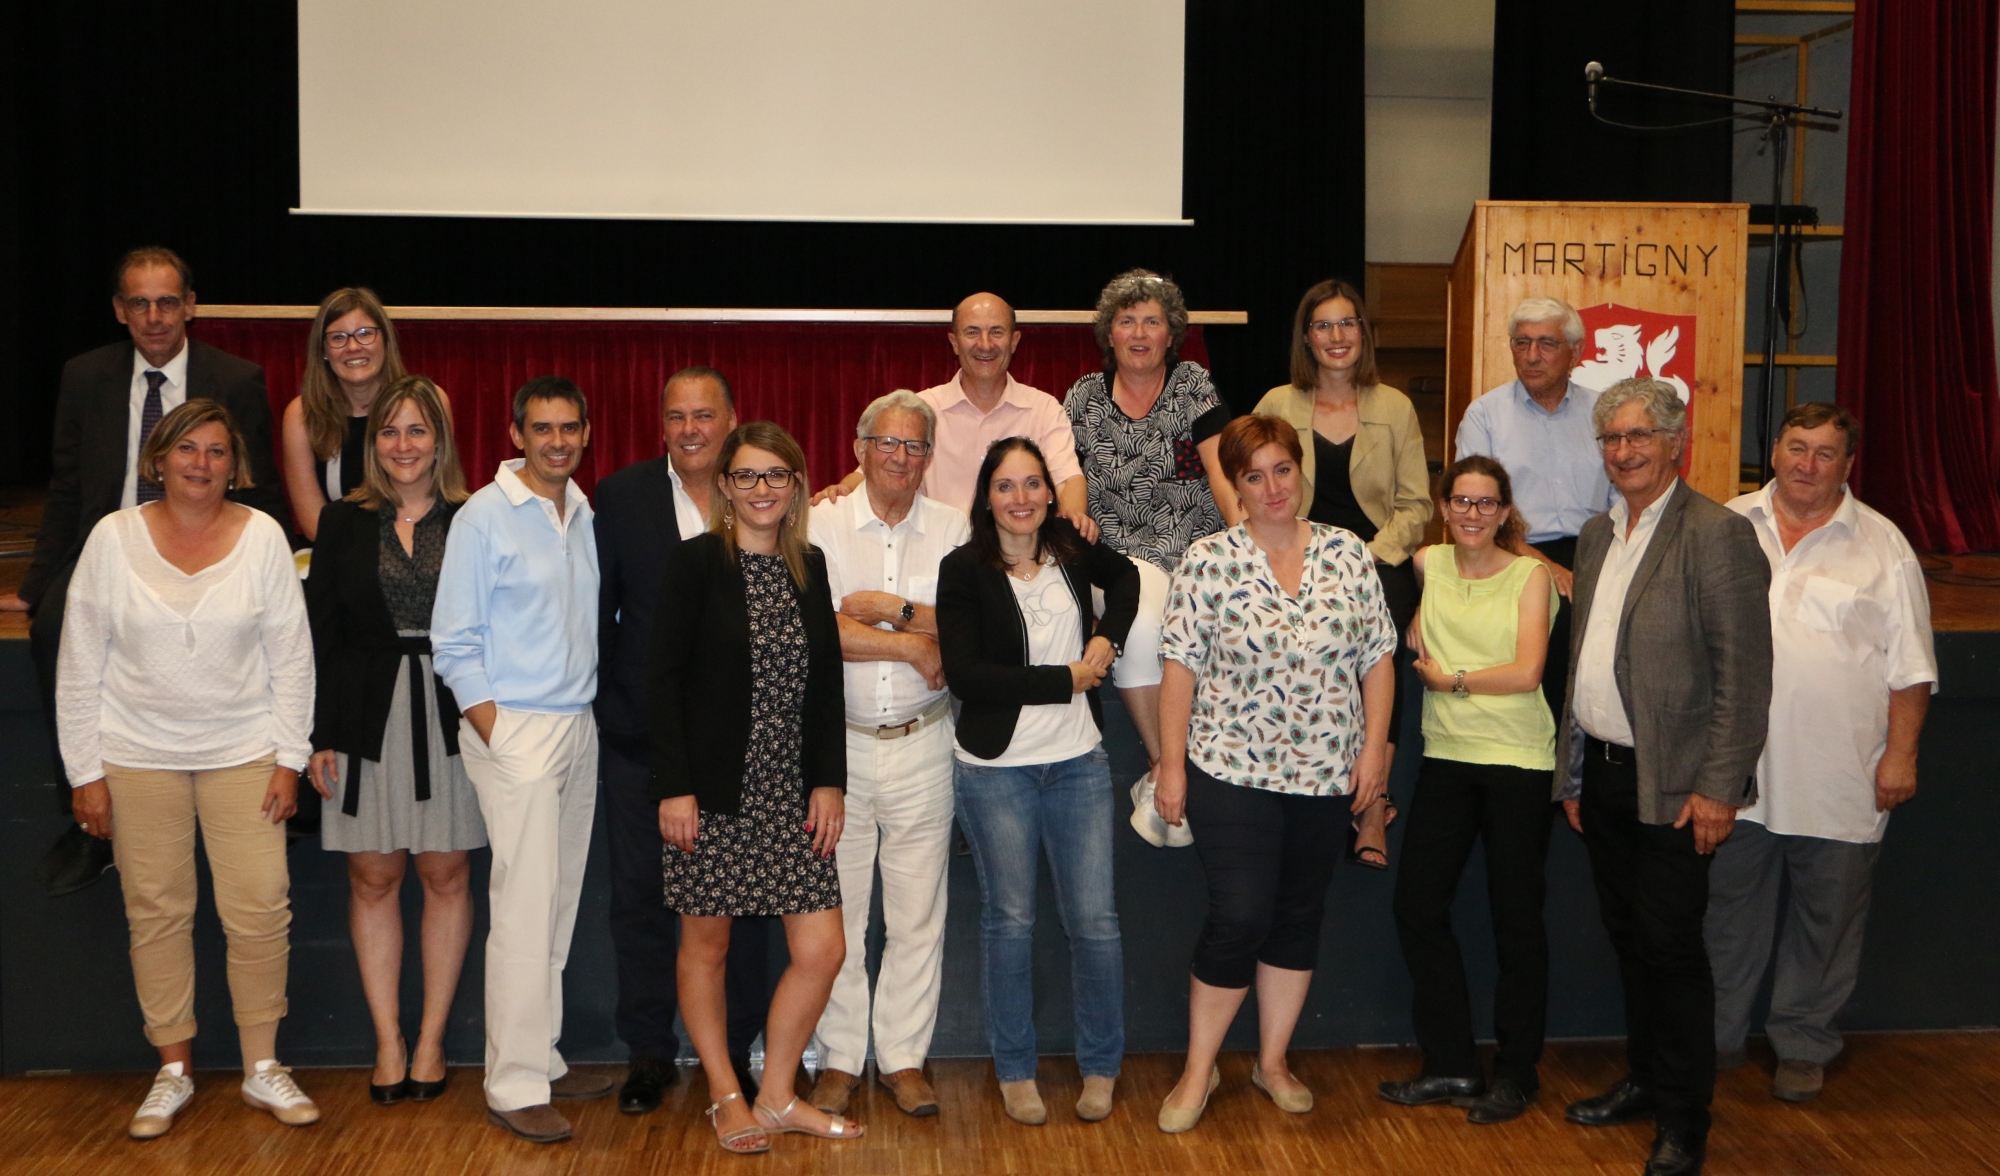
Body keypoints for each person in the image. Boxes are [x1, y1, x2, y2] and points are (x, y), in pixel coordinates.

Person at [56, 400, 318, 1139]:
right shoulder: (111, 540)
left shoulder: (264, 537)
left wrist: (289, 758)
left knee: (261, 908)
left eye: (216, 452)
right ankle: (173, 1070)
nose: (201, 464)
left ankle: (263, 1068)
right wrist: (86, 773)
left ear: (234, 465)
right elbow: (78, 666)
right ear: (158, 459)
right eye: (186, 450)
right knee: (157, 911)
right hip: (135, 757)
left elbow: (292, 659)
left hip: (245, 754)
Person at [8, 246, 285, 898]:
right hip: (109, 549)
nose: (155, 316)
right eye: (140, 302)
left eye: (167, 301)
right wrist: (38, 582)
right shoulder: (86, 376)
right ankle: (88, 813)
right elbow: (69, 487)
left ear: (190, 306)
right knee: (52, 627)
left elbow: (259, 487)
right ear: (119, 310)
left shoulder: (235, 377)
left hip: (211, 546)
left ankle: (261, 780)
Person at [1152, 414, 1395, 1133]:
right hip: (1231, 770)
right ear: (1236, 485)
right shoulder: (1208, 560)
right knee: (1240, 916)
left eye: (1281, 469)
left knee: (1296, 919)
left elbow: (1378, 659)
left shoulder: (1349, 554)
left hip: (1327, 775)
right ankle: (1198, 1072)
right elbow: (1178, 671)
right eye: (1252, 475)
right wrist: (1171, 767)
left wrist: (1375, 751)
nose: (1271, 487)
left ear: (1301, 470)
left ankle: (1273, 1061)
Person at [1556, 378, 1772, 1176]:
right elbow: (1584, 661)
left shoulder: (1715, 534)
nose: (1624, 451)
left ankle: (1687, 1122)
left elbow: (1745, 677)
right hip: (1606, 781)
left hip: (1681, 787)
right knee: (1632, 941)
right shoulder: (1595, 534)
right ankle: (1647, 1080)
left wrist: (1720, 788)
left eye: (1639, 436)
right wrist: (1573, 775)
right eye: (1611, 439)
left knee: (1673, 951)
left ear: (1675, 442)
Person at [1707, 402, 1935, 1103]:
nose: (1808, 464)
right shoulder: (1725, 525)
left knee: (1826, 925)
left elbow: (1912, 667)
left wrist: (1901, 754)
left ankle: (1803, 1045)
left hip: (1841, 774)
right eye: (1796, 447)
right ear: (1773, 450)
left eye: (1825, 453)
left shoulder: (1883, 545)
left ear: (1847, 464)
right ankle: (1712, 1040)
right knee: (1724, 920)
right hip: (1736, 775)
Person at [650, 421, 860, 1155]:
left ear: (797, 486)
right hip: (711, 791)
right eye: (747, 476)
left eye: (776, 475)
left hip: (792, 791)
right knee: (705, 945)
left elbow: (826, 686)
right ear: (726, 489)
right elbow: (663, 682)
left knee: (823, 948)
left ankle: (776, 1096)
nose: (762, 489)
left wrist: (829, 782)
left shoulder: (811, 565)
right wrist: (674, 788)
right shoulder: (695, 564)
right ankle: (724, 1091)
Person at [936, 437, 1138, 1126]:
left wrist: (1108, 639)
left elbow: (1132, 581)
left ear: (1050, 493)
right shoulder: (962, 570)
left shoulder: (1073, 548)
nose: (1020, 498)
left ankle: (1101, 1067)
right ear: (985, 496)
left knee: (1096, 925)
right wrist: (1067, 680)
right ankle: (1016, 1071)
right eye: (1005, 486)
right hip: (997, 775)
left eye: (1032, 484)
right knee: (1010, 923)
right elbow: (967, 676)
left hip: (1079, 764)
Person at [431, 376, 612, 1143]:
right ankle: (511, 1085)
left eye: (570, 427)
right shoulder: (483, 516)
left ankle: (541, 1055)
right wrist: (501, 736)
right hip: (519, 734)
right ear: (515, 435)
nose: (558, 441)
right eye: (543, 428)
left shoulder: (582, 511)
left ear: (587, 432)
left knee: (558, 905)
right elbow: (453, 642)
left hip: (578, 726)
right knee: (523, 909)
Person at [593, 366, 774, 1114]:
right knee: (640, 901)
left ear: (732, 418)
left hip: (743, 750)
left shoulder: (762, 494)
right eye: (677, 417)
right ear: (660, 425)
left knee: (741, 907)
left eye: (705, 415)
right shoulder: (621, 498)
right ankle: (647, 1053)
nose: (692, 430)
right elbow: (601, 616)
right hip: (641, 741)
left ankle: (732, 1052)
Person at [302, 375, 484, 1106]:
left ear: (440, 441)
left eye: (417, 430)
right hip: (363, 716)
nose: (403, 445)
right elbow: (320, 635)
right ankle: (388, 1041)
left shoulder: (476, 518)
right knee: (373, 879)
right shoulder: (343, 523)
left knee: (446, 878)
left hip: (451, 716)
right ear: (371, 444)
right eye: (389, 431)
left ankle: (433, 1038)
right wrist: (316, 735)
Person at [1378, 455, 1557, 1125]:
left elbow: (1527, 672)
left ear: (1505, 512)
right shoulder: (1429, 564)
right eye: (1462, 502)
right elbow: (1401, 614)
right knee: (1418, 906)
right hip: (1448, 758)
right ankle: (1451, 1062)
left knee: (1516, 921)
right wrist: (1413, 632)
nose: (1473, 514)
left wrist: (1450, 679)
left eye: (1486, 503)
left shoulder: (1532, 575)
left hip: (1518, 761)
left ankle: (1517, 1073)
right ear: (1444, 507)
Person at [806, 392, 971, 1119]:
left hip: (923, 741)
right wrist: (910, 641)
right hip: (836, 751)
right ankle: (839, 1058)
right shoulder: (819, 523)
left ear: (929, 458)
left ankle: (902, 1057)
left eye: (914, 447)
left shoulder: (958, 529)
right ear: (859, 446)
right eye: (887, 443)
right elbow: (817, 629)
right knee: (836, 914)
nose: (901, 457)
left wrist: (888, 607)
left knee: (916, 916)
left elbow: (966, 632)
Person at [1253, 278, 1433, 870]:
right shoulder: (1278, 404)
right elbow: (1252, 486)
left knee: (1380, 645)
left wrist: (1371, 555)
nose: (1336, 336)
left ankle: (1373, 800)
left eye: (1347, 324)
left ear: (1364, 334)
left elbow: (1416, 506)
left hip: (1375, 559)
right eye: (1323, 325)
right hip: (1293, 556)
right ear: (1307, 337)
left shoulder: (1395, 407)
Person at [1065, 268, 1240, 773]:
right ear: (1109, 333)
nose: (1139, 334)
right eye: (1126, 321)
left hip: (1193, 556)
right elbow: (1066, 479)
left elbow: (1221, 470)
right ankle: (1167, 764)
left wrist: (1244, 544)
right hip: (1115, 560)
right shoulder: (1083, 398)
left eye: (1152, 322)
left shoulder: (1191, 384)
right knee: (1142, 623)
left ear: (1171, 334)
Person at [1455, 296, 1615, 729]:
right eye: (1521, 343)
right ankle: (1551, 771)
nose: (1531, 355)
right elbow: (1474, 515)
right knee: (1558, 624)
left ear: (1575, 353)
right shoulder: (1485, 415)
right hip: (1514, 553)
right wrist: (1546, 567)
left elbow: (1627, 504)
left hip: (1598, 550)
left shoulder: (1605, 414)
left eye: (1546, 343)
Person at [815, 292, 1094, 534]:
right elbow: (873, 471)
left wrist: (1068, 525)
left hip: (1017, 556)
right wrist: (839, 492)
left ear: (1014, 340)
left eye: (996, 332)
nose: (985, 344)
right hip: (936, 554)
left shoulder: (1043, 409)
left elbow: (1068, 479)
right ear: (954, 341)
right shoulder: (921, 410)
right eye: (972, 332)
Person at [283, 288, 409, 543]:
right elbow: (314, 524)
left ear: (385, 340)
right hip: (336, 556)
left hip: (411, 555)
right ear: (324, 350)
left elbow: (435, 499)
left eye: (365, 334)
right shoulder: (301, 415)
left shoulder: (424, 405)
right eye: (338, 337)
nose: (353, 347)